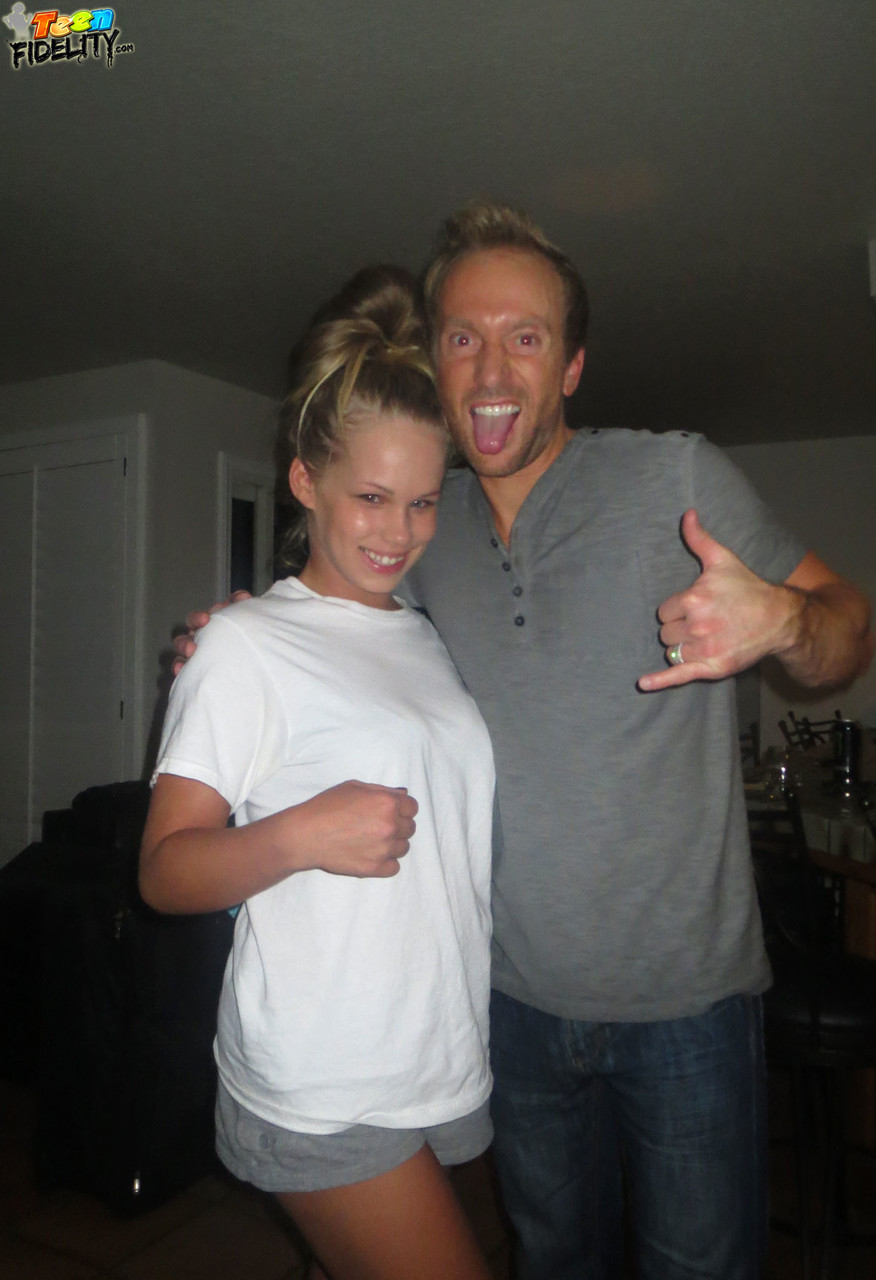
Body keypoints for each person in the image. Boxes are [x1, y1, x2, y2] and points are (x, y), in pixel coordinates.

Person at [181, 206, 873, 1280]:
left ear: (573, 366)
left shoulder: (677, 481)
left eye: (527, 336)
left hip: (684, 1005)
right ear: (434, 355)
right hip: (512, 1007)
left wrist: (785, 620)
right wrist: (239, 630)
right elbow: (339, 615)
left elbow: (849, 627)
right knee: (556, 1261)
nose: (493, 368)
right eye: (464, 335)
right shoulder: (426, 520)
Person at [143, 265, 497, 1280]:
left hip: (428, 1047)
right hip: (324, 1077)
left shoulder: (424, 634)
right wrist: (301, 832)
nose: (399, 532)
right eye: (371, 498)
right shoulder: (243, 645)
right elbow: (163, 871)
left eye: (422, 502)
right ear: (305, 481)